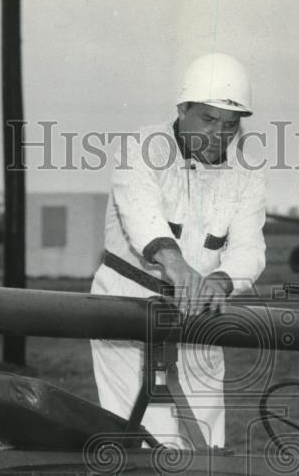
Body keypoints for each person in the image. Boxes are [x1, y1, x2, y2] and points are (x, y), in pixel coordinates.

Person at [90, 52, 266, 449]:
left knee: (204, 444)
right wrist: (175, 263)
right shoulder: (142, 148)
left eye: (230, 125)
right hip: (126, 309)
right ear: (182, 109)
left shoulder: (247, 171)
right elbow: (140, 213)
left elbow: (249, 246)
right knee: (144, 442)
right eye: (207, 119)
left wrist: (222, 281)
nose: (218, 134)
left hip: (199, 315)